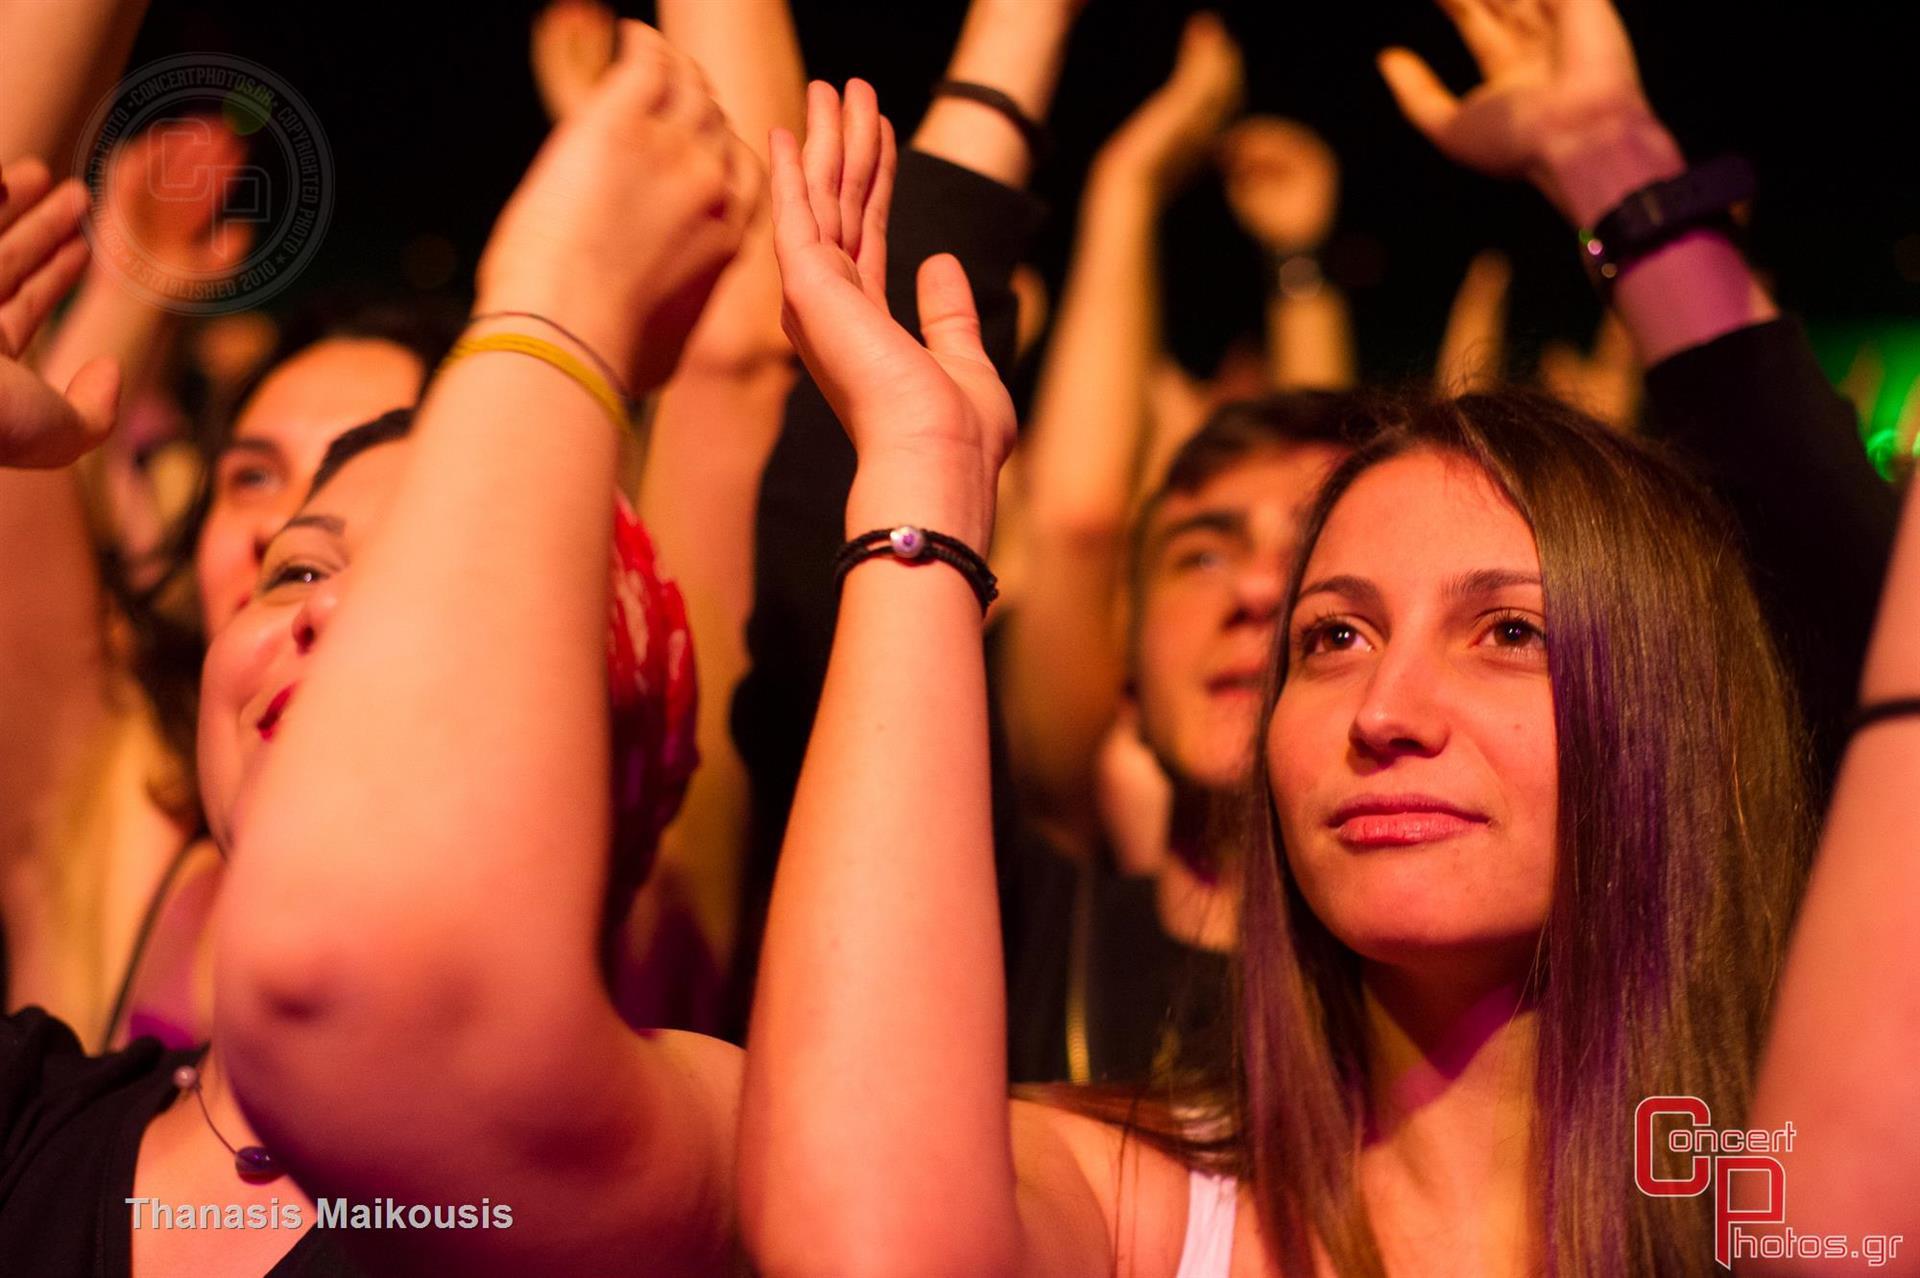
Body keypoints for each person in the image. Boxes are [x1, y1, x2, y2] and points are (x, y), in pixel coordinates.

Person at [737, 75, 1813, 1278]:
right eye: (1333, 640)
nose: (1383, 715)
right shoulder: (1138, 1204)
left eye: (1511, 631)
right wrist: (924, 482)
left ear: (1692, 711)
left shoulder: (1830, 1204)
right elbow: (866, 1244)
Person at [1, 21, 753, 1276]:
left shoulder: (685, 1161)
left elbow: (738, 366)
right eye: (295, 559)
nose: (328, 609)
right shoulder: (32, 1116)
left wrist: (575, 274)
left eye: (427, 582)